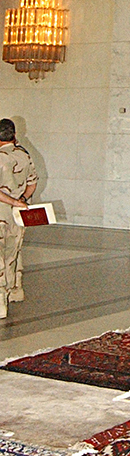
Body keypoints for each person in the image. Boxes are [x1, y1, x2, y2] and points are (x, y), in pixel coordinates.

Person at [0, 119, 37, 319]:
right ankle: (14, 291)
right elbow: (33, 182)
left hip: (1, 214)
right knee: (12, 254)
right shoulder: (24, 155)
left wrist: (12, 201)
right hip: (18, 216)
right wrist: (21, 200)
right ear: (13, 135)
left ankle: (0, 304)